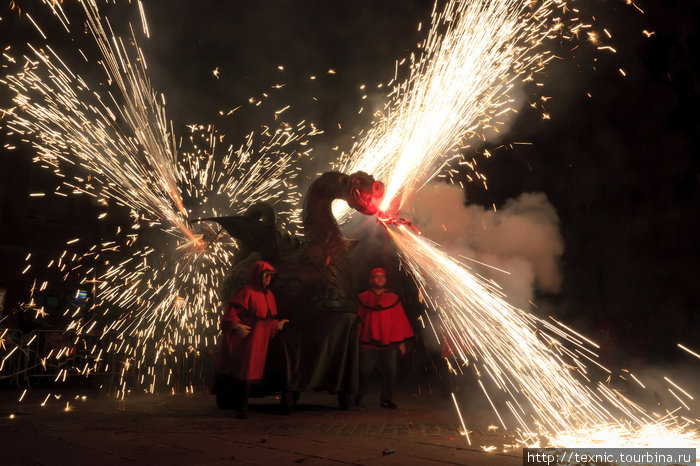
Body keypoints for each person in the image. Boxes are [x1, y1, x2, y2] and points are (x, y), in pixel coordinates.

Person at [216, 260, 288, 418]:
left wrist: (278, 324)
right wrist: (236, 326)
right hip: (248, 340)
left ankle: (241, 406)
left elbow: (269, 317)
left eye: (270, 276)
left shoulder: (269, 295)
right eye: (265, 275)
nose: (268, 279)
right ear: (257, 275)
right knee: (244, 372)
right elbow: (231, 313)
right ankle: (240, 409)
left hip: (261, 339)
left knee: (252, 372)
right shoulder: (246, 292)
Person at [355, 268, 414, 409]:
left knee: (390, 372)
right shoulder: (363, 298)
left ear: (386, 279)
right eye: (376, 277)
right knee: (364, 371)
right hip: (367, 342)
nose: (380, 279)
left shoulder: (393, 298)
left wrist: (401, 343)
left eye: (382, 277)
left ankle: (386, 399)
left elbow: (399, 321)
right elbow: (358, 319)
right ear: (371, 280)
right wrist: (354, 339)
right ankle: (357, 396)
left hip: (389, 343)